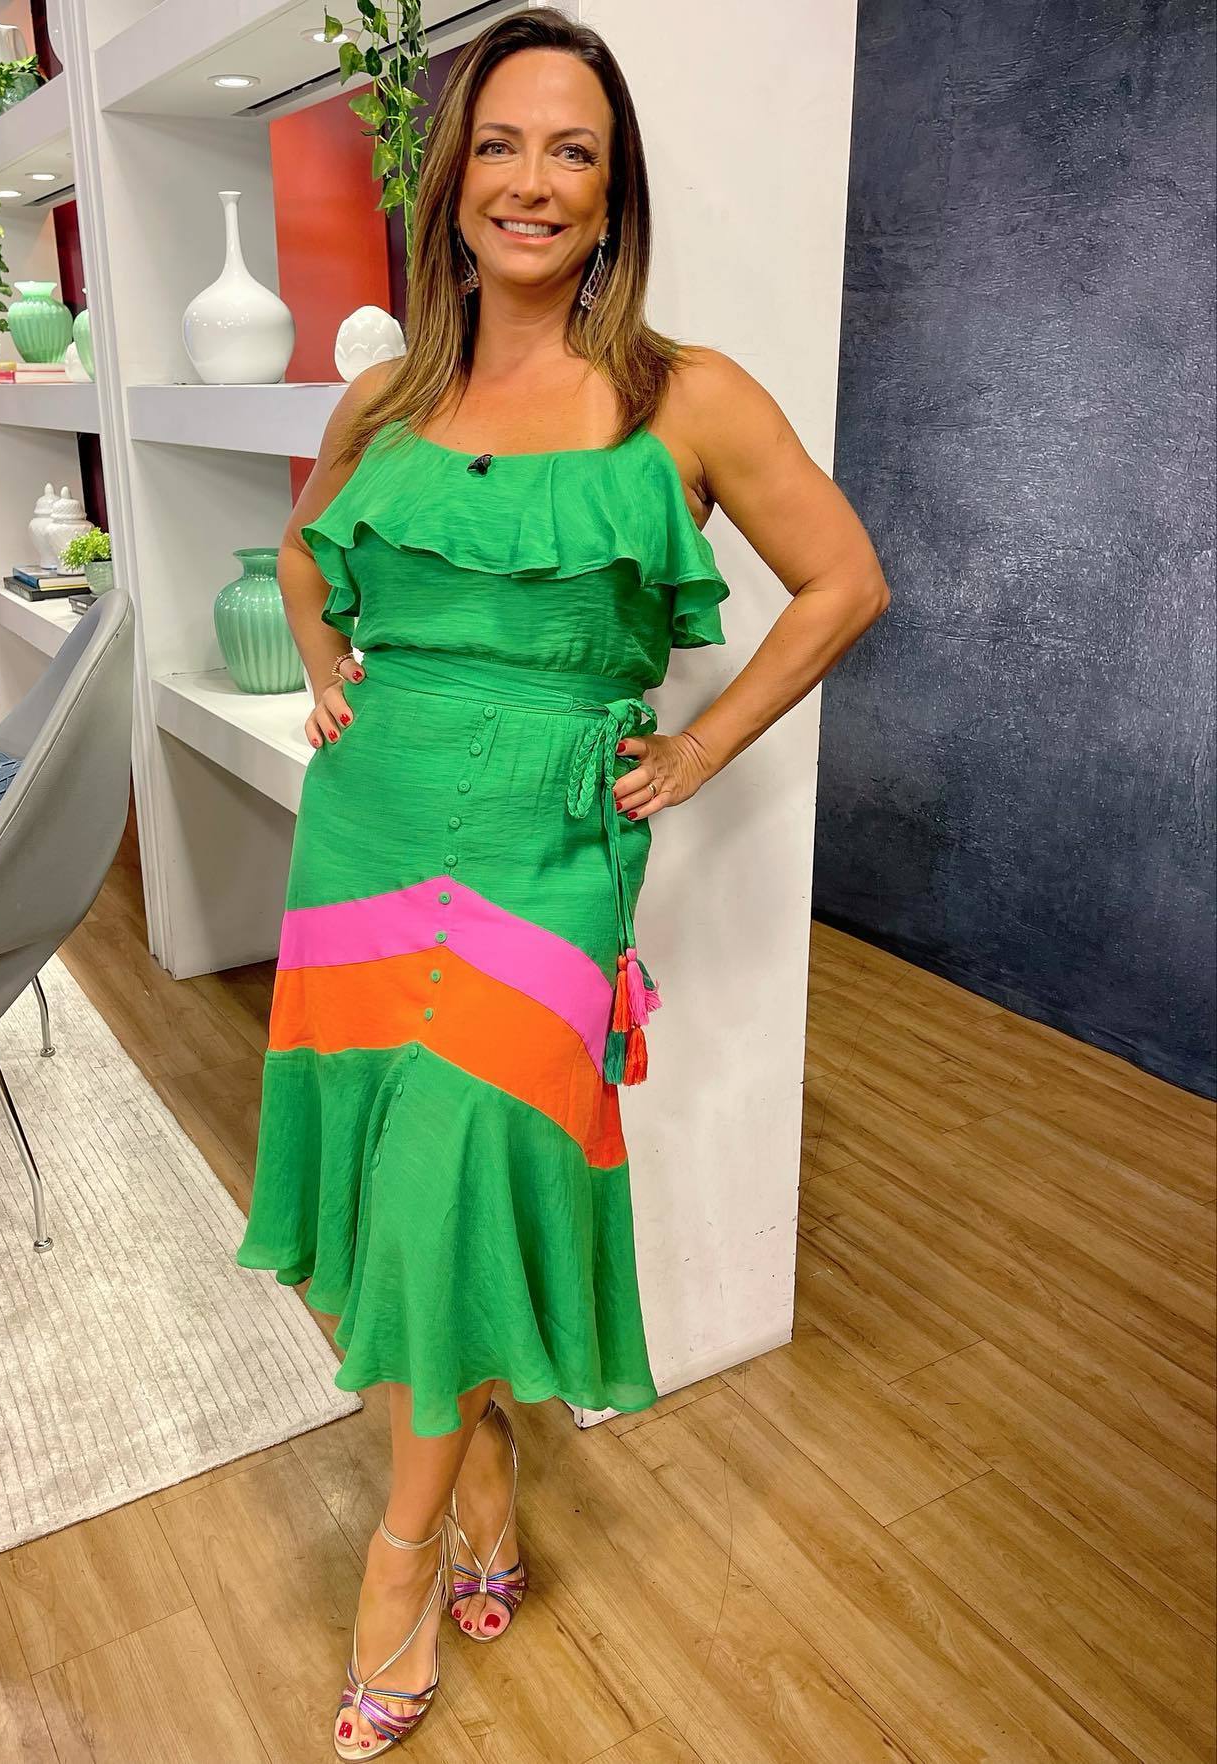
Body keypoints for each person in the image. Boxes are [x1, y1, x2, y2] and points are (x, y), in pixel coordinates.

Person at [233, 9, 890, 1757]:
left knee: (453, 1184)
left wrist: (701, 748)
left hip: (548, 852)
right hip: (367, 834)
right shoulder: (385, 399)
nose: (532, 180)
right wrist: (327, 658)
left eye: (573, 151)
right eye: (503, 145)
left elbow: (843, 581)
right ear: (454, 182)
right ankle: (483, 1469)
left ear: (612, 196)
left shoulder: (688, 400)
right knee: (352, 1204)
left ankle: (398, 1559)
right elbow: (302, 552)